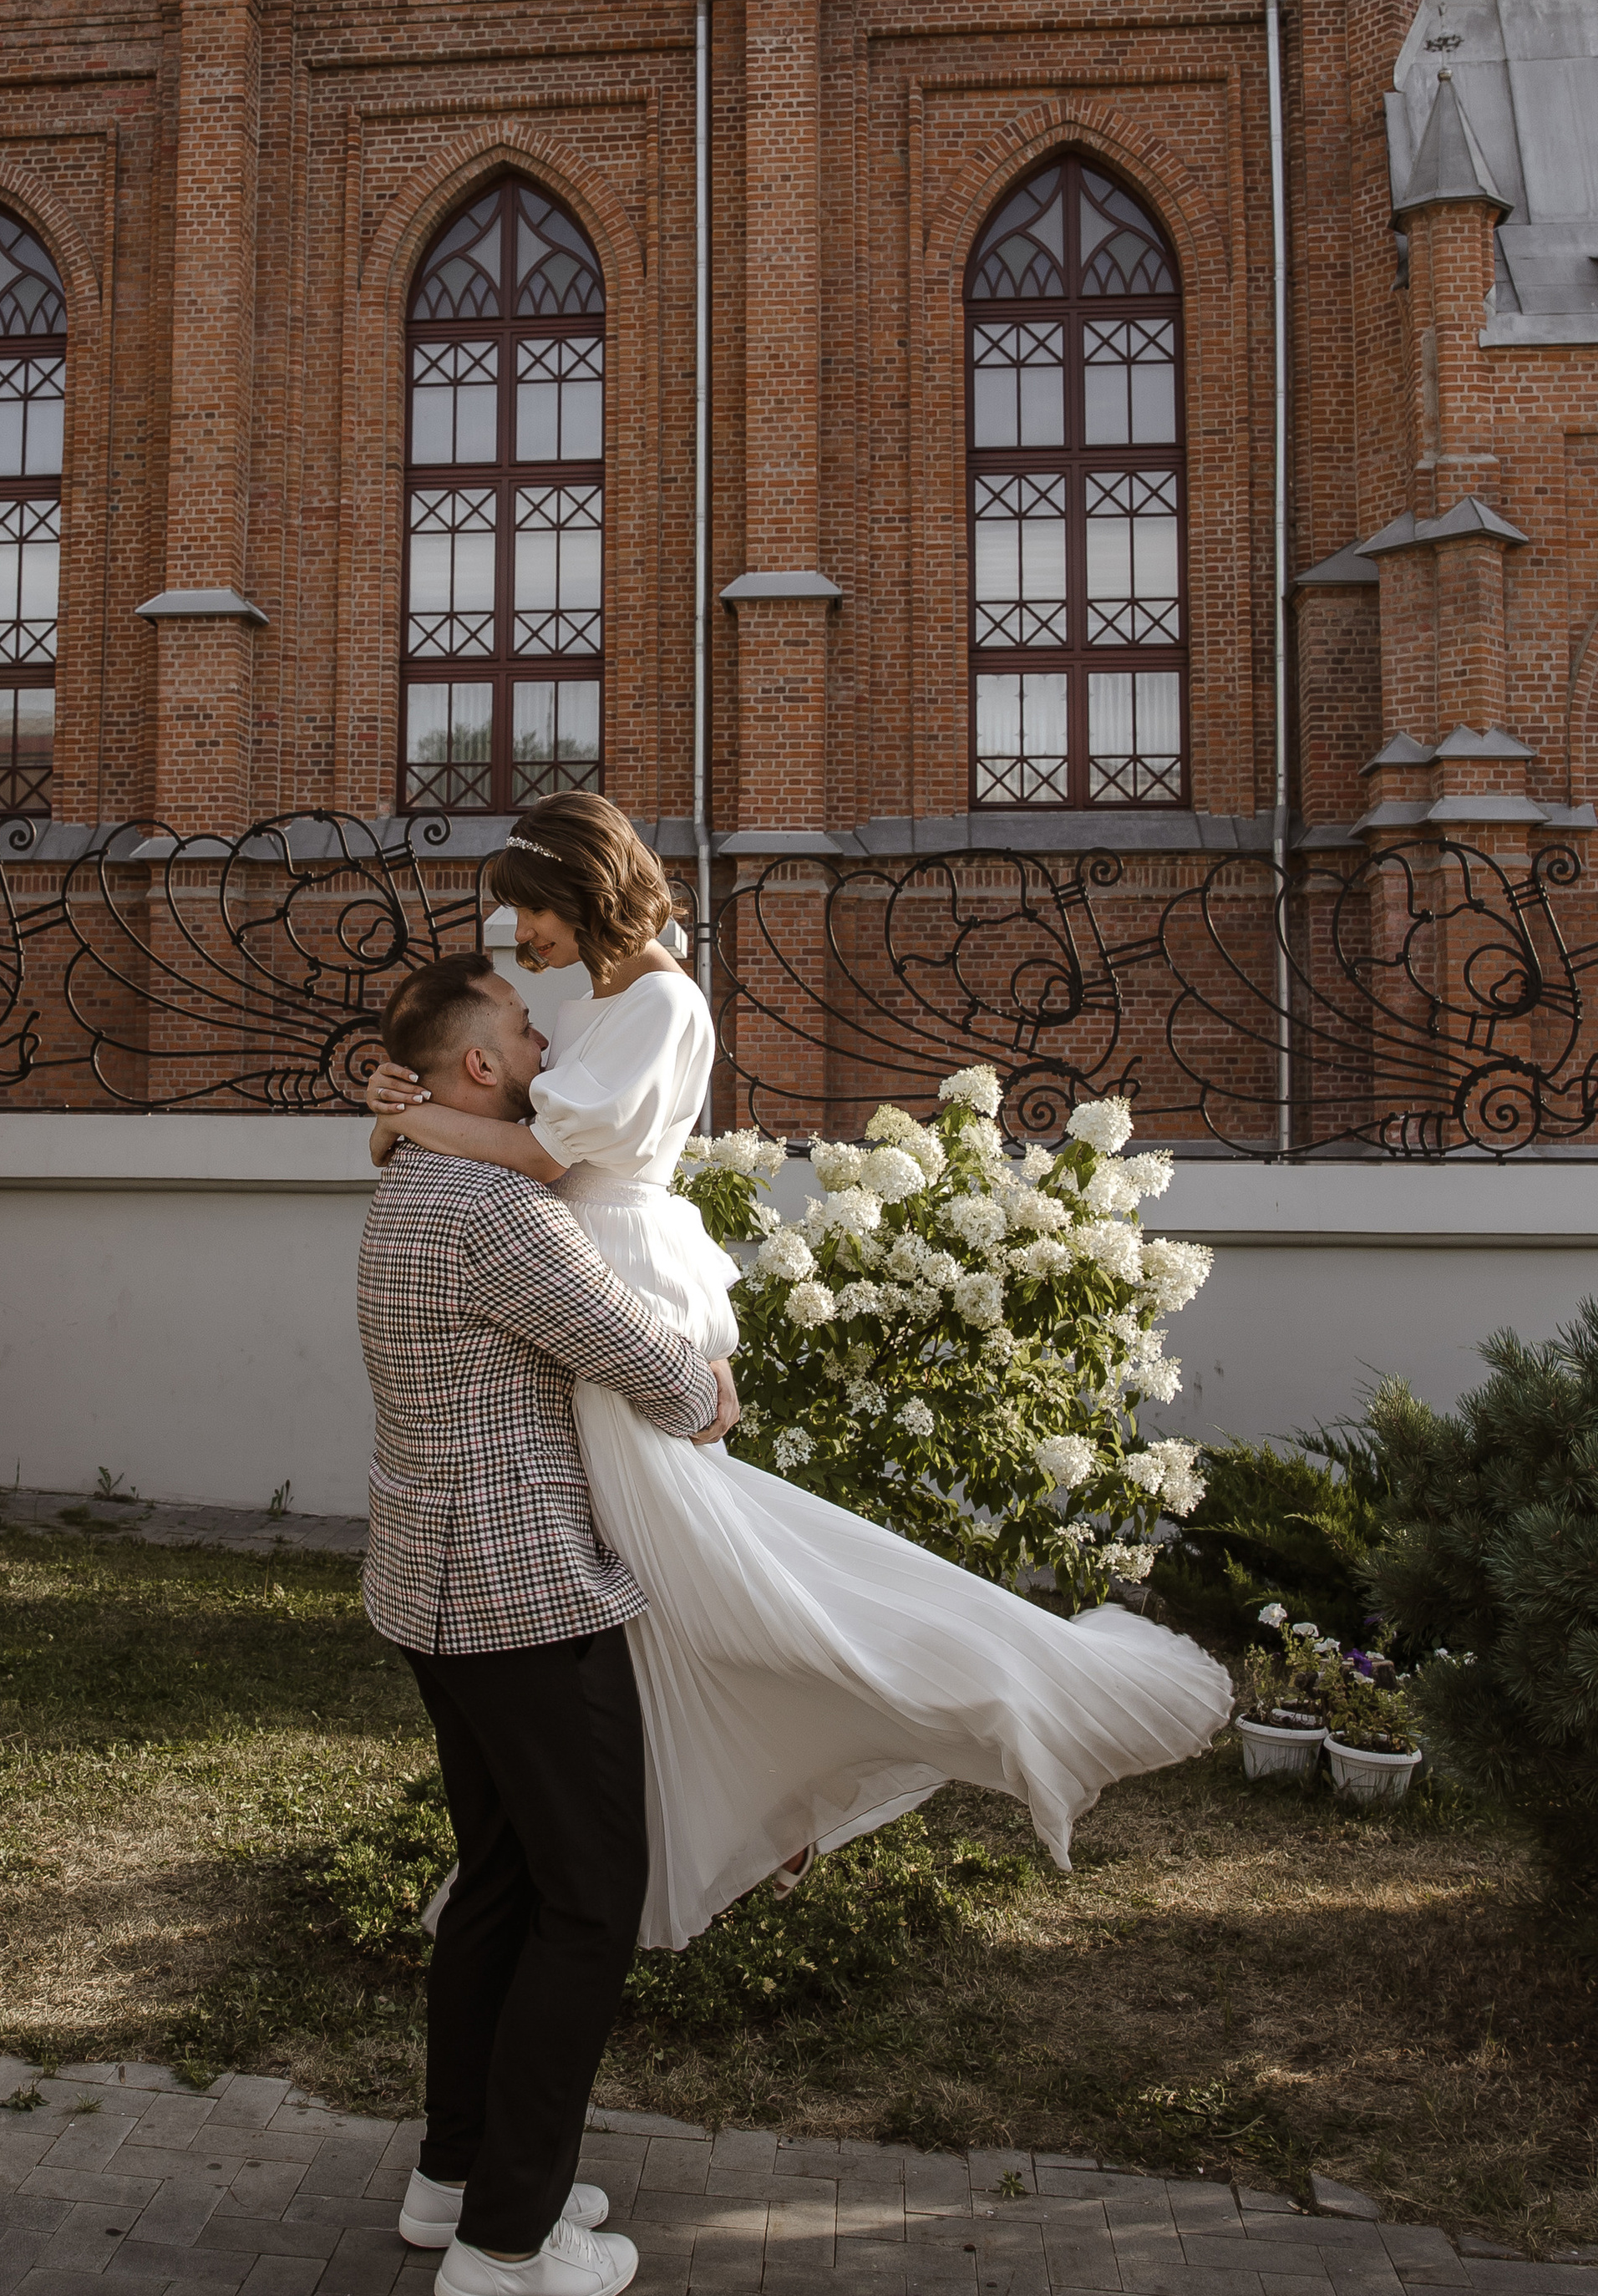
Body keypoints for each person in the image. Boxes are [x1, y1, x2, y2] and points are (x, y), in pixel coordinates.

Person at [365, 792, 1232, 1952]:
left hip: (609, 1272)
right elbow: (500, 1105)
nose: (521, 938)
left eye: (529, 915)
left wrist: (407, 1127)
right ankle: (739, 1788)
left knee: (683, 1557)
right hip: (569, 1262)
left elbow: (527, 1145)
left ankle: (838, 1740)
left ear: (579, 897)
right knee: (646, 1567)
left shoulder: (663, 1003)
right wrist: (403, 1111)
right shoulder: (597, 1000)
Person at [356, 947, 740, 2296]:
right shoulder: (496, 1212)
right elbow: (650, 1367)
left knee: (504, 1887)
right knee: (589, 1901)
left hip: (433, 1591)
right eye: (523, 1027)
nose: (545, 1040)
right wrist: (708, 1379)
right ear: (478, 1065)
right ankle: (508, 2250)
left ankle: (456, 2180)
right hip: (524, 1601)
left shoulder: (410, 1178)